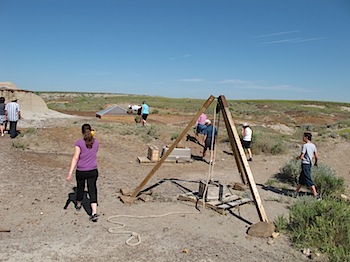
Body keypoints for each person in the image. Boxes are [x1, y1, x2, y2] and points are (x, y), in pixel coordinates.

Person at [66, 124, 100, 222]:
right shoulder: (96, 142)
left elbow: (75, 157)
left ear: (82, 131)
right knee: (92, 189)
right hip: (93, 170)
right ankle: (93, 212)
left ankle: (79, 204)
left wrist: (70, 173)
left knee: (80, 187)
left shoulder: (79, 143)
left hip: (81, 170)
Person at [294, 132, 320, 199]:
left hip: (305, 163)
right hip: (310, 164)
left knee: (308, 178)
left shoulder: (305, 146)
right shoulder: (313, 146)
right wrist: (315, 163)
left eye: (303, 137)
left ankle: (315, 194)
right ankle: (296, 192)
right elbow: (316, 156)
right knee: (302, 178)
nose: (302, 138)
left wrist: (297, 158)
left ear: (306, 137)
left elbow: (302, 156)